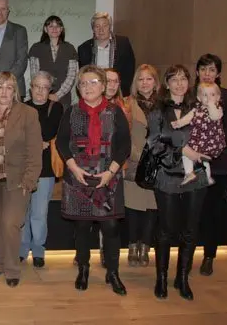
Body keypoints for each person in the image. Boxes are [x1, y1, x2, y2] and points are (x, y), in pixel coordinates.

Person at [56, 65, 131, 296]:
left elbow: (124, 146)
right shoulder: (71, 111)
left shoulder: (114, 111)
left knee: (110, 227)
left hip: (108, 176)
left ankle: (113, 272)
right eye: (83, 83)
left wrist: (109, 172)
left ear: (103, 86)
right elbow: (61, 142)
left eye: (93, 82)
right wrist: (74, 168)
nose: (87, 87)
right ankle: (84, 269)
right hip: (79, 175)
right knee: (82, 227)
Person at [148, 65, 211, 300]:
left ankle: (182, 277)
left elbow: (212, 134)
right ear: (166, 83)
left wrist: (203, 152)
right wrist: (184, 151)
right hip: (166, 174)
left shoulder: (200, 107)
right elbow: (154, 144)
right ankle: (161, 278)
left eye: (183, 78)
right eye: (174, 79)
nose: (179, 83)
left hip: (196, 175)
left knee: (191, 230)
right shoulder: (157, 110)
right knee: (165, 230)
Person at [0, 72, 42, 287]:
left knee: (11, 224)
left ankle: (11, 269)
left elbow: (35, 151)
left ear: (15, 91)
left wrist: (29, 180)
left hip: (17, 180)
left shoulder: (28, 114)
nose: (4, 92)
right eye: (0, 87)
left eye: (9, 87)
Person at [195, 54, 227, 276]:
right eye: (203, 69)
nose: (207, 74)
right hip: (193, 163)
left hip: (218, 163)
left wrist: (209, 152)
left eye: (211, 70)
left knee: (211, 212)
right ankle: (186, 253)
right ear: (197, 72)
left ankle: (209, 256)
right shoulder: (193, 96)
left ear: (218, 73)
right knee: (193, 212)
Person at [20, 71, 63, 267]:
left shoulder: (57, 108)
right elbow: (18, 135)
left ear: (50, 90)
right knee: (22, 212)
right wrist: (37, 142)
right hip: (23, 168)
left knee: (39, 212)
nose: (40, 91)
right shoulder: (21, 107)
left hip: (45, 170)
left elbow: (49, 131)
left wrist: (33, 140)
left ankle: (38, 250)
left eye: (44, 87)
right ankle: (22, 249)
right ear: (31, 87)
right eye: (37, 86)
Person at [123, 64, 159, 267]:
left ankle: (145, 247)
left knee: (152, 207)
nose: (145, 83)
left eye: (149, 79)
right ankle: (132, 246)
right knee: (134, 208)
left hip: (157, 163)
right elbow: (122, 133)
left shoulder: (164, 104)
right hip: (134, 161)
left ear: (155, 82)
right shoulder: (127, 104)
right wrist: (137, 155)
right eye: (141, 79)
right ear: (135, 83)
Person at [172, 83, 225, 186]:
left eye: (212, 95)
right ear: (199, 98)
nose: (209, 97)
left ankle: (204, 176)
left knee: (203, 159)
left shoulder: (218, 108)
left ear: (218, 97)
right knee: (190, 155)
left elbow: (214, 116)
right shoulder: (196, 109)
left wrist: (211, 105)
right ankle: (192, 174)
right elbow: (187, 118)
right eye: (205, 95)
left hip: (210, 140)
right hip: (197, 139)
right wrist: (179, 123)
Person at [77, 12, 136, 96]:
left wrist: (121, 90)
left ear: (110, 27)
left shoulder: (123, 43)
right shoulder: (83, 48)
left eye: (105, 25)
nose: (101, 30)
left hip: (118, 91)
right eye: (97, 26)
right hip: (94, 92)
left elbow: (130, 70)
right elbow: (84, 75)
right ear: (93, 29)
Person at [28, 15, 79, 108]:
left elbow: (71, 76)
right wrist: (45, 94)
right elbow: (34, 75)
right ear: (45, 29)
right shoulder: (36, 48)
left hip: (63, 98)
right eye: (51, 26)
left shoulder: (70, 49)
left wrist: (58, 95)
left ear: (61, 29)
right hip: (41, 97)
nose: (54, 29)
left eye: (57, 26)